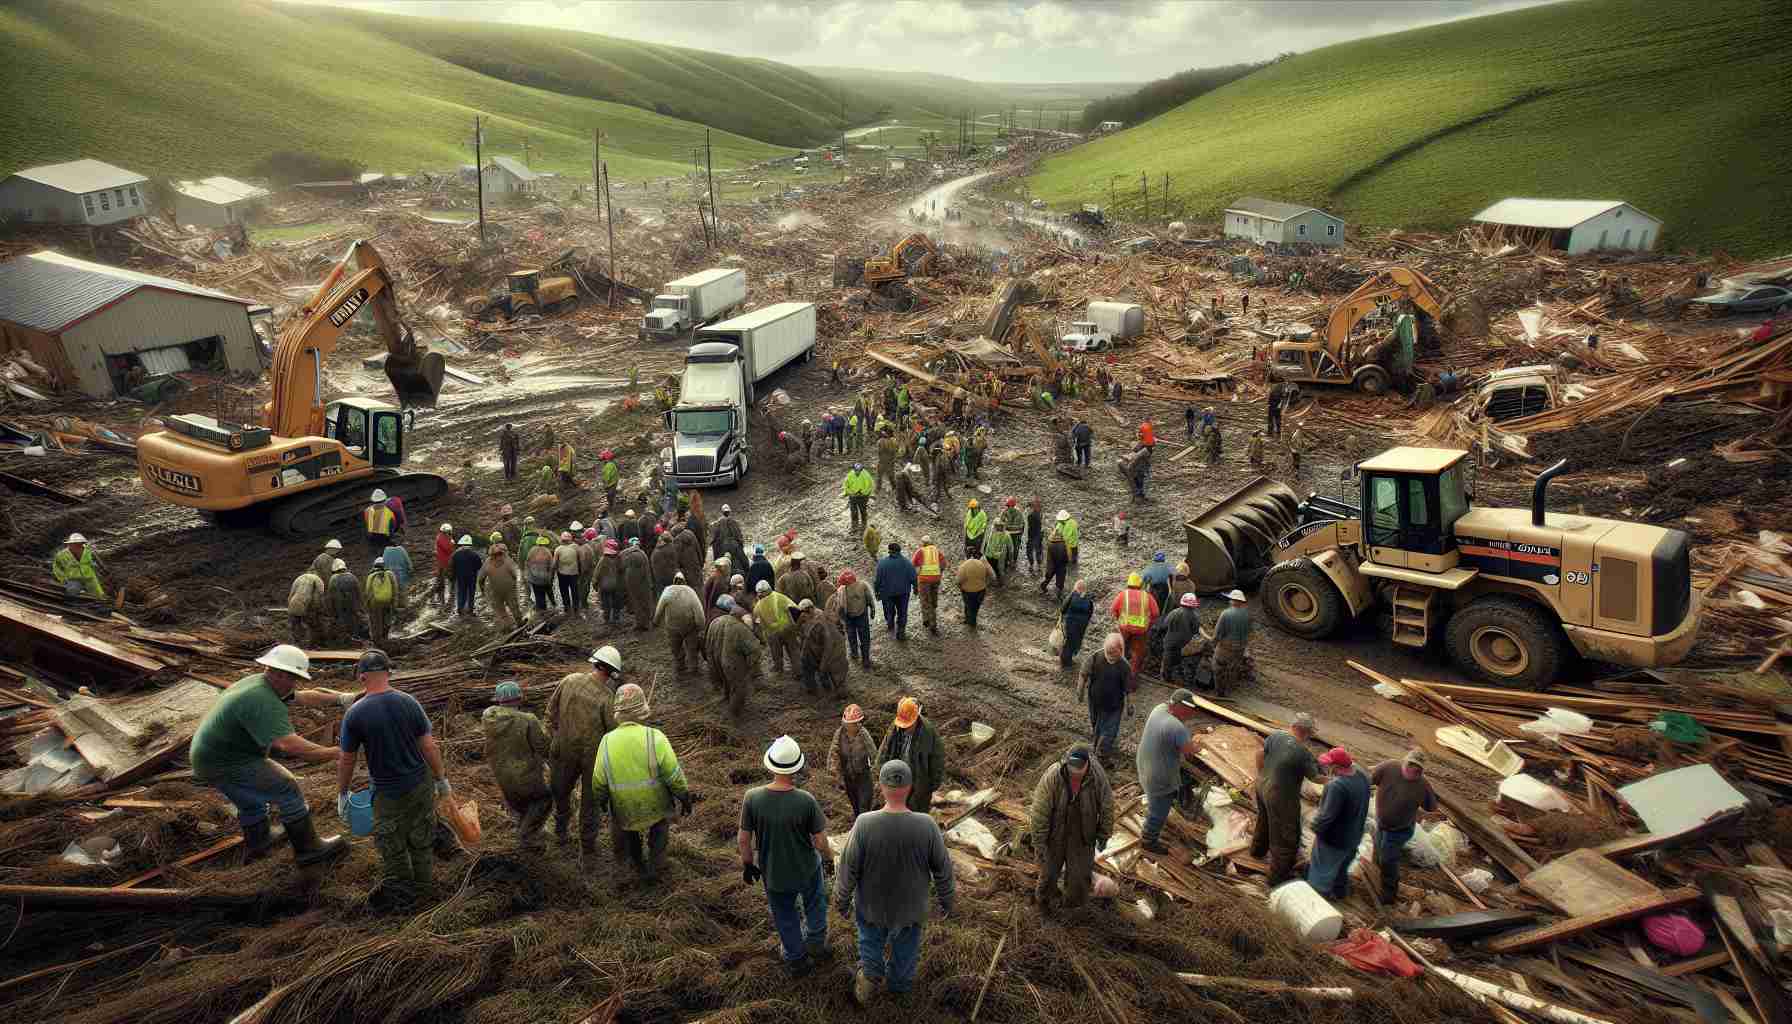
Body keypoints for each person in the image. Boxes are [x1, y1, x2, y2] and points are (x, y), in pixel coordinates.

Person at [190, 646, 353, 866]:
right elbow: (289, 745)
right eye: (293, 678)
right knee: (287, 786)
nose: (295, 683)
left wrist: (342, 698)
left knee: (250, 803)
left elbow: (304, 697)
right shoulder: (261, 700)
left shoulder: (262, 682)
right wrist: (335, 753)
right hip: (227, 761)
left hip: (207, 757)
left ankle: (260, 842)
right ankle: (309, 850)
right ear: (280, 674)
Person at [835, 758, 955, 1005]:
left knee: (870, 944)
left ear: (880, 786)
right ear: (910, 787)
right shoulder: (927, 825)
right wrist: (948, 901)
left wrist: (841, 899)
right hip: (910, 909)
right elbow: (943, 869)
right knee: (906, 950)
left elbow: (849, 867)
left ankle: (869, 981)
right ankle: (899, 989)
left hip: (872, 907)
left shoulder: (864, 824)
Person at [336, 650, 447, 906]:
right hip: (420, 784)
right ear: (389, 672)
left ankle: (405, 900)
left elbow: (347, 759)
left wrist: (342, 792)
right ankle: (425, 891)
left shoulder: (355, 713)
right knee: (421, 838)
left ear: (361, 677)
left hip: (387, 793)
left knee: (392, 846)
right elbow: (429, 746)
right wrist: (441, 779)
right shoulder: (409, 702)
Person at [740, 736, 835, 976]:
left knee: (784, 915)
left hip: (774, 872)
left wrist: (748, 864)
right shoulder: (806, 801)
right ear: (797, 767)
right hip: (806, 868)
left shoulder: (752, 798)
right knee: (815, 904)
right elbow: (820, 841)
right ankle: (816, 943)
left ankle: (796, 958)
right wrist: (828, 860)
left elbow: (743, 838)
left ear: (770, 764)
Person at [593, 683, 693, 882]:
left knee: (626, 831)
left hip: (623, 806)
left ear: (617, 712)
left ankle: (634, 863)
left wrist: (602, 801)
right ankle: (656, 866)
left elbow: (599, 780)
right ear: (642, 710)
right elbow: (673, 775)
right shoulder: (654, 737)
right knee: (660, 829)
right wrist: (684, 796)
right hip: (655, 804)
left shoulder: (606, 741)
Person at [547, 646, 622, 853]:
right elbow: (613, 733)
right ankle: (588, 846)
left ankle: (560, 833)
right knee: (591, 803)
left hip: (562, 750)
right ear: (612, 673)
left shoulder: (569, 680)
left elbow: (550, 712)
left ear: (595, 663)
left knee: (560, 793)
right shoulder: (608, 698)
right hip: (592, 759)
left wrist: (557, 737)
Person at [1028, 744, 1113, 912]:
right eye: (1072, 769)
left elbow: (1107, 806)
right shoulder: (1054, 775)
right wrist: (1039, 842)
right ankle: (1043, 902)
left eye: (1078, 771)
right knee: (1048, 872)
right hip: (1055, 832)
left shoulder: (1097, 777)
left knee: (1079, 877)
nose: (1075, 774)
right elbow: (1039, 811)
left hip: (1082, 834)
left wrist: (1104, 834)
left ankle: (1072, 908)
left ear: (1087, 764)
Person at [1252, 712, 1320, 885]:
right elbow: (1316, 778)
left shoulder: (1276, 736)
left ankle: (1257, 852)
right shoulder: (1302, 753)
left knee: (1264, 821)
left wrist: (1261, 775)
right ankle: (1277, 877)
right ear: (1306, 732)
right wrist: (1335, 779)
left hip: (1262, 787)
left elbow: (1260, 754)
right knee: (1285, 837)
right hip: (1280, 797)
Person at [481, 681, 551, 848]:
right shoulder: (528, 720)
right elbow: (543, 748)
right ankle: (525, 838)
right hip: (525, 775)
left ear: (498, 700)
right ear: (519, 699)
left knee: (521, 806)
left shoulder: (488, 717)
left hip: (501, 775)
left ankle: (524, 833)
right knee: (544, 800)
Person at [1136, 689, 1205, 855]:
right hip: (1159, 777)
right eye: (1188, 711)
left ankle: (1154, 815)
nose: (1190, 715)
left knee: (1156, 801)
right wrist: (1200, 745)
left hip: (1144, 765)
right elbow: (1189, 752)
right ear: (1180, 707)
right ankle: (1148, 840)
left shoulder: (1159, 709)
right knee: (1159, 810)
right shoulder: (1176, 727)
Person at [1370, 749, 1438, 906]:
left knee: (1388, 859)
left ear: (1421, 770)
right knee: (1379, 853)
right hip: (1382, 824)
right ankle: (1376, 878)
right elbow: (1369, 780)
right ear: (1404, 762)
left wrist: (1416, 808)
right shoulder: (1389, 767)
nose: (1413, 769)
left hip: (1399, 830)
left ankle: (1389, 895)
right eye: (1411, 765)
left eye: (1417, 768)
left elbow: (1431, 807)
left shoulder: (1423, 785)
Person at [1308, 747, 1371, 901]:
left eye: (1329, 765)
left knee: (1321, 871)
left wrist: (1315, 829)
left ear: (1335, 767)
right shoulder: (1361, 775)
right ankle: (1340, 893)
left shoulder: (1337, 786)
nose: (1326, 768)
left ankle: (1317, 899)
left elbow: (1326, 816)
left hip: (1334, 839)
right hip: (1355, 834)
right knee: (1342, 866)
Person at [876, 698, 945, 813]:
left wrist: (931, 787)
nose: (904, 727)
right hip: (898, 777)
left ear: (916, 719)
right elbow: (885, 751)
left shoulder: (928, 732)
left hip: (919, 783)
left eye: (908, 725)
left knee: (917, 813)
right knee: (897, 811)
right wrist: (881, 773)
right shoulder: (895, 728)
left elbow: (937, 761)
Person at [1079, 634, 1133, 761]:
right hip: (1095, 701)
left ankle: (1102, 755)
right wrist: (1080, 690)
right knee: (1096, 725)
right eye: (1108, 652)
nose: (1111, 656)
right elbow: (1083, 673)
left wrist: (1129, 704)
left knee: (1109, 730)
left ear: (1121, 650)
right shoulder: (1096, 656)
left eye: (1114, 653)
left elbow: (1128, 689)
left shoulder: (1124, 666)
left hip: (1114, 705)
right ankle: (1097, 746)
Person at [829, 704, 878, 819]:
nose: (856, 725)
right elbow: (833, 753)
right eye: (853, 723)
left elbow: (874, 754)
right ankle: (860, 827)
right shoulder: (839, 735)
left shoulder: (864, 734)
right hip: (848, 776)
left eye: (858, 722)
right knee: (855, 806)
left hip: (863, 776)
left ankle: (865, 828)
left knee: (864, 806)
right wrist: (834, 773)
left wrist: (877, 774)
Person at [654, 571, 707, 675]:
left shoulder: (667, 591)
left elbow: (659, 607)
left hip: (672, 626)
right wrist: (701, 625)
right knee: (692, 648)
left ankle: (680, 666)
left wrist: (656, 620)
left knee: (676, 647)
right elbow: (698, 610)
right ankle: (693, 668)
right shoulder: (690, 591)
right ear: (685, 581)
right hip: (689, 626)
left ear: (674, 581)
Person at [1109, 573, 1160, 674]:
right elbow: (1156, 613)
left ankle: (1116, 670)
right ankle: (1131, 681)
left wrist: (1118, 619)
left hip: (1124, 627)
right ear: (1140, 585)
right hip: (1141, 630)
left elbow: (1113, 610)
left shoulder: (1123, 594)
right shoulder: (1147, 596)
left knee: (1120, 648)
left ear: (1128, 583)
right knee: (1136, 656)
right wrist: (1149, 625)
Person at [1206, 589, 1252, 695]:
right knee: (1234, 668)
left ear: (1233, 601)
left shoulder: (1225, 614)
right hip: (1240, 648)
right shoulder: (1248, 615)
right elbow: (1249, 633)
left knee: (1218, 668)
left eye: (1230, 599)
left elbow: (1217, 635)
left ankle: (1219, 692)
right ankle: (1230, 689)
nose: (1229, 601)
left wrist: (1212, 642)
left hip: (1226, 648)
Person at [798, 599, 850, 694]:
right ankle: (826, 687)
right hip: (825, 644)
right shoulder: (812, 616)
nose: (803, 615)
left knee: (836, 669)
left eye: (804, 613)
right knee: (813, 663)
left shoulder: (820, 620)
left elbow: (828, 645)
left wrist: (823, 663)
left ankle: (841, 691)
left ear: (810, 609)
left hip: (835, 646)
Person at [830, 569, 875, 670]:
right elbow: (869, 599)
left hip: (850, 616)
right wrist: (872, 609)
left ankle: (855, 654)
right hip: (859, 614)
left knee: (852, 636)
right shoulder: (862, 585)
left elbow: (838, 605)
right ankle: (865, 659)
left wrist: (838, 618)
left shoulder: (842, 589)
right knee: (863, 637)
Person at [754, 579, 800, 677]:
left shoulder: (757, 606)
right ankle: (798, 671)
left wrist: (762, 637)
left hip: (772, 633)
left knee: (776, 653)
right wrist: (796, 626)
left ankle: (779, 669)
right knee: (793, 650)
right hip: (787, 628)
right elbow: (795, 608)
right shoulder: (780, 597)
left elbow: (757, 622)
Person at [875, 541, 916, 640]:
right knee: (902, 612)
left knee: (889, 610)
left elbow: (878, 579)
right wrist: (916, 588)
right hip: (903, 593)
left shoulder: (882, 563)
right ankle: (901, 632)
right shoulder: (907, 563)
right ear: (899, 551)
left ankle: (890, 623)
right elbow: (913, 577)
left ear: (889, 551)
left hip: (887, 592)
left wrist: (876, 590)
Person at [478, 542, 524, 629]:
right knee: (514, 607)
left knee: (500, 610)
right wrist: (515, 583)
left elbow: (481, 578)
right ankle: (520, 623)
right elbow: (516, 574)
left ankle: (507, 626)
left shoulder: (487, 562)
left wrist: (482, 589)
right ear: (502, 553)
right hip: (509, 589)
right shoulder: (507, 560)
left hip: (495, 590)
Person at [1160, 593, 1202, 684]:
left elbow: (1164, 625)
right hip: (1183, 643)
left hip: (1169, 641)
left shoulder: (1174, 612)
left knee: (1167, 660)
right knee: (1178, 660)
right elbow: (1196, 630)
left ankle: (1166, 678)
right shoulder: (1194, 616)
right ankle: (1178, 676)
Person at [51, 532, 106, 598]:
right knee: (71, 593)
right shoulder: (61, 555)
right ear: (70, 544)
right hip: (73, 579)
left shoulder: (88, 551)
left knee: (99, 595)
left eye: (80, 543)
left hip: (89, 577)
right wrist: (63, 579)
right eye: (76, 543)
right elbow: (56, 568)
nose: (79, 545)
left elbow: (93, 562)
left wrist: (97, 569)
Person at [364, 556, 403, 643]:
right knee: (387, 620)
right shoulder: (390, 574)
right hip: (388, 602)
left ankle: (377, 640)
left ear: (374, 565)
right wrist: (394, 604)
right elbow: (395, 589)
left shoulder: (370, 576)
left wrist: (368, 605)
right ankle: (385, 638)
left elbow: (368, 591)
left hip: (375, 603)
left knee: (376, 622)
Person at [910, 535, 944, 636]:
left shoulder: (920, 551)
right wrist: (938, 573)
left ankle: (927, 620)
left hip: (924, 580)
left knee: (925, 600)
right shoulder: (936, 551)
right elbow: (944, 564)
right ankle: (933, 622)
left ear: (922, 543)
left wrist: (918, 571)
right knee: (933, 601)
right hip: (935, 580)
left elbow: (913, 564)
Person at [287, 565, 327, 646]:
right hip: (308, 605)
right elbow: (319, 596)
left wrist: (290, 606)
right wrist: (320, 609)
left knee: (296, 625)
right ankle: (313, 644)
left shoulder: (299, 578)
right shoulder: (317, 579)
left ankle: (297, 644)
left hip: (293, 604)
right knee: (313, 625)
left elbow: (291, 594)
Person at [326, 557, 363, 644]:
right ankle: (355, 637)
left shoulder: (333, 578)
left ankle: (343, 640)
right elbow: (358, 592)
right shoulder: (353, 577)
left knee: (341, 621)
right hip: (353, 604)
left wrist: (331, 610)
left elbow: (330, 596)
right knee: (353, 620)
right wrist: (359, 605)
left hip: (340, 605)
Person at [620, 537, 654, 630]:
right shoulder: (643, 554)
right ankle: (647, 622)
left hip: (634, 582)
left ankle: (640, 623)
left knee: (636, 601)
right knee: (645, 600)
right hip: (645, 581)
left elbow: (622, 568)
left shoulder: (626, 555)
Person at [955, 550, 992, 628]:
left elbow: (958, 580)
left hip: (967, 591)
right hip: (981, 590)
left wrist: (960, 587)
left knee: (968, 605)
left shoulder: (964, 566)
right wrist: (985, 583)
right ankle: (972, 620)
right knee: (975, 607)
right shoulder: (983, 564)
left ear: (967, 556)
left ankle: (970, 621)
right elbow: (992, 576)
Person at [449, 534, 482, 616]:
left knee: (461, 592)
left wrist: (452, 577)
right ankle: (470, 610)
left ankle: (460, 609)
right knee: (471, 593)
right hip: (472, 577)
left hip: (460, 577)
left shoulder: (456, 554)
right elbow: (479, 566)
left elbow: (452, 567)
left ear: (461, 544)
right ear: (470, 544)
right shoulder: (475, 554)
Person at [593, 540, 625, 623]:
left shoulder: (603, 559)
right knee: (616, 602)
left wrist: (595, 585)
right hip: (616, 585)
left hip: (605, 585)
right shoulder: (619, 558)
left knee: (605, 603)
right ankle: (616, 617)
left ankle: (606, 618)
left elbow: (597, 573)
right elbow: (622, 570)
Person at [713, 503, 748, 574]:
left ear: (722, 512)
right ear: (729, 512)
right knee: (744, 562)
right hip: (734, 546)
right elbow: (739, 537)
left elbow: (715, 540)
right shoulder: (734, 522)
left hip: (722, 548)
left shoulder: (717, 523)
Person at [843, 462, 873, 532]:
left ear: (861, 470)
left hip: (863, 496)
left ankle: (864, 524)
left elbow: (870, 486)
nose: (857, 472)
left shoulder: (866, 475)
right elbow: (846, 485)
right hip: (853, 496)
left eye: (859, 470)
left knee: (863, 510)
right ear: (854, 469)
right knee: (853, 511)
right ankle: (854, 525)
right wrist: (850, 493)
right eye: (856, 470)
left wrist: (863, 493)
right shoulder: (850, 475)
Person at [363, 489, 397, 553]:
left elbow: (366, 523)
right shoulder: (389, 512)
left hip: (372, 536)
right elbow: (393, 526)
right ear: (384, 501)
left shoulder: (367, 510)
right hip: (385, 537)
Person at [1024, 497, 1044, 574]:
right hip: (1038, 535)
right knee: (1038, 550)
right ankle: (1039, 566)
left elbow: (1027, 527)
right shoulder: (1039, 513)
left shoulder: (1030, 516)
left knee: (1029, 551)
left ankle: (1032, 565)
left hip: (1032, 536)